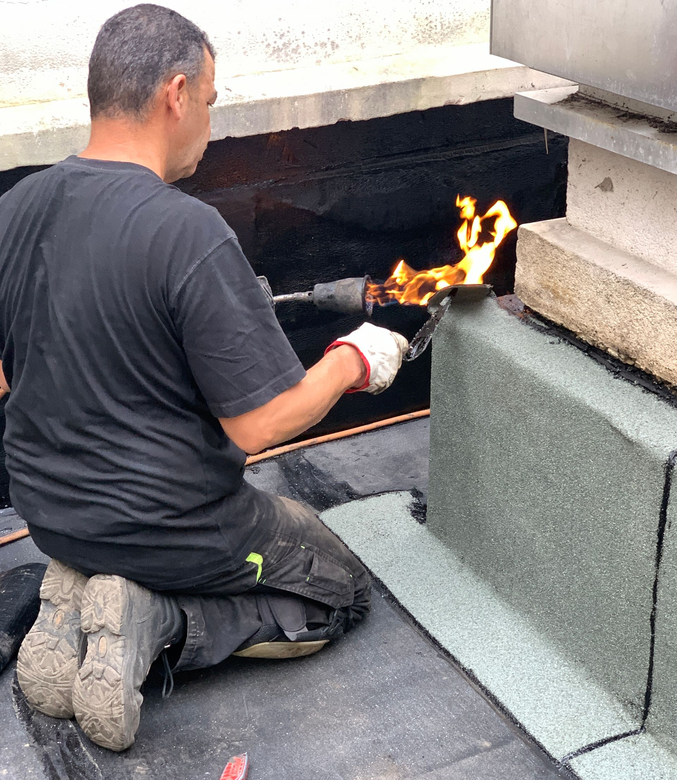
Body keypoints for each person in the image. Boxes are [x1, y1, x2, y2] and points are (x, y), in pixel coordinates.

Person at [0, 4, 408, 753]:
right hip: (174, 531)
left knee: (113, 543)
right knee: (336, 590)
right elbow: (259, 425)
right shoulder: (185, 230)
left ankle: (72, 595)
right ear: (176, 94)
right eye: (211, 105)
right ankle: (157, 624)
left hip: (51, 513)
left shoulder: (16, 207)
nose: (209, 127)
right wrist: (350, 362)